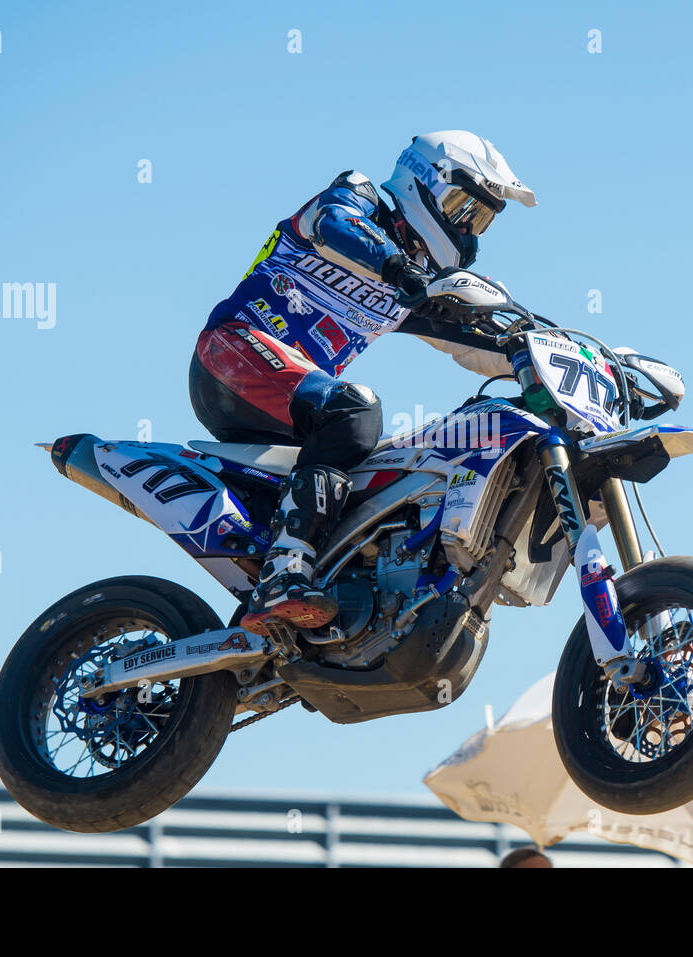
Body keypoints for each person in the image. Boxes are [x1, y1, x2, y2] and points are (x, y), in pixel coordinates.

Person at [189, 131, 536, 635]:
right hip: (234, 352)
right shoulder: (358, 199)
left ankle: (335, 584)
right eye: (464, 206)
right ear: (425, 182)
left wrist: (542, 356)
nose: (467, 227)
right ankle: (284, 573)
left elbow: (474, 344)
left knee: (383, 473)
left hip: (296, 406)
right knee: (357, 410)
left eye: (479, 218)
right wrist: (398, 268)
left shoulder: (416, 281)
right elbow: (334, 223)